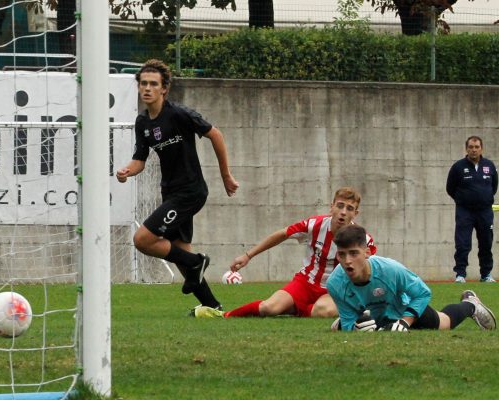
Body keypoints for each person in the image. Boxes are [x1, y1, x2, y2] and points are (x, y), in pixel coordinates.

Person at [116, 59, 239, 312]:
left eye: (153, 84)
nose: (147, 88)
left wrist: (226, 175)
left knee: (142, 240)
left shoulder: (179, 114)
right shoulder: (143, 123)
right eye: (143, 83)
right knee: (181, 255)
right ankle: (213, 307)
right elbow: (140, 159)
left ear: (164, 89)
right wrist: (127, 171)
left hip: (190, 191)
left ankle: (198, 261)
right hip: (170, 192)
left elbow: (216, 134)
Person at [193, 187, 375, 319]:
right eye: (340, 206)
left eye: (349, 209)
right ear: (332, 206)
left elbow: (372, 269)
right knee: (268, 308)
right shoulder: (315, 225)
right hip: (306, 282)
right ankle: (223, 315)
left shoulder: (362, 239)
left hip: (336, 289)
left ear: (355, 214)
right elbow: (282, 234)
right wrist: (248, 256)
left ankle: (294, 309)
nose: (343, 212)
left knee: (324, 312)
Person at [328, 224, 496, 332]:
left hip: (403, 308)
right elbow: (350, 324)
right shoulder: (335, 284)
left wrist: (404, 322)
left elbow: (423, 293)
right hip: (374, 317)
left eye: (354, 253)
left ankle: (470, 305)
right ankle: (360, 320)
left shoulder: (390, 270)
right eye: (342, 254)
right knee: (344, 326)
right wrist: (354, 327)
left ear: (367, 253)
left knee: (444, 323)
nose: (347, 260)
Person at [446, 135, 498, 283]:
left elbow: (494, 187)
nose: (473, 150)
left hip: (485, 212)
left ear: (481, 148)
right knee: (462, 244)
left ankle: (486, 274)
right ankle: (460, 275)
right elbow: (450, 188)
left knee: (486, 243)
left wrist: (483, 198)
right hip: (465, 212)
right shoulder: (458, 167)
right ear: (466, 149)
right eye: (471, 147)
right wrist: (463, 200)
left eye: (476, 147)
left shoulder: (489, 166)